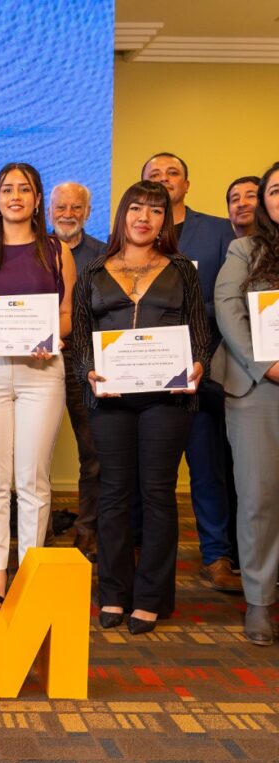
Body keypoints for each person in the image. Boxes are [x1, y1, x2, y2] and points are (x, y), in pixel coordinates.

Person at [72, 180, 210, 635]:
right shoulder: (94, 270)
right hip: (109, 397)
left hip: (167, 399)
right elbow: (81, 338)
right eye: (136, 208)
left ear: (165, 220)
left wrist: (198, 364)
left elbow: (199, 332)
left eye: (155, 210)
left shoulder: (182, 270)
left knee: (157, 493)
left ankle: (150, 597)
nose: (144, 217)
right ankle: (113, 592)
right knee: (113, 494)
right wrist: (88, 371)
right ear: (122, 214)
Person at [0, 162, 76, 602]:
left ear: (38, 199)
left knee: (32, 479)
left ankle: (30, 572)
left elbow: (66, 315)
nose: (16, 196)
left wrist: (52, 336)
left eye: (25, 189)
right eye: (7, 189)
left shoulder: (58, 251)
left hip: (41, 373)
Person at [141, 153, 240, 592]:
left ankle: (216, 556)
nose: (164, 180)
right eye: (154, 176)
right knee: (147, 473)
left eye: (172, 173)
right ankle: (141, 551)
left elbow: (231, 300)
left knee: (207, 468)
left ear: (187, 183)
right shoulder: (133, 234)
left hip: (202, 371)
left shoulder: (218, 232)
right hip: (145, 373)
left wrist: (186, 318)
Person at [213, 161, 279, 645]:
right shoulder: (245, 249)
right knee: (259, 497)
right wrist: (267, 364)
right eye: (275, 191)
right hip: (260, 388)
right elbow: (228, 309)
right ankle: (260, 600)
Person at [48, 181, 106, 560]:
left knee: (94, 453)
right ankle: (39, 531)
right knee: (32, 453)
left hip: (88, 364)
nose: (68, 214)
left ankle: (88, 532)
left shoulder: (105, 255)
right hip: (41, 360)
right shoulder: (31, 251)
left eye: (76, 208)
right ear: (48, 211)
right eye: (61, 207)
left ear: (87, 212)